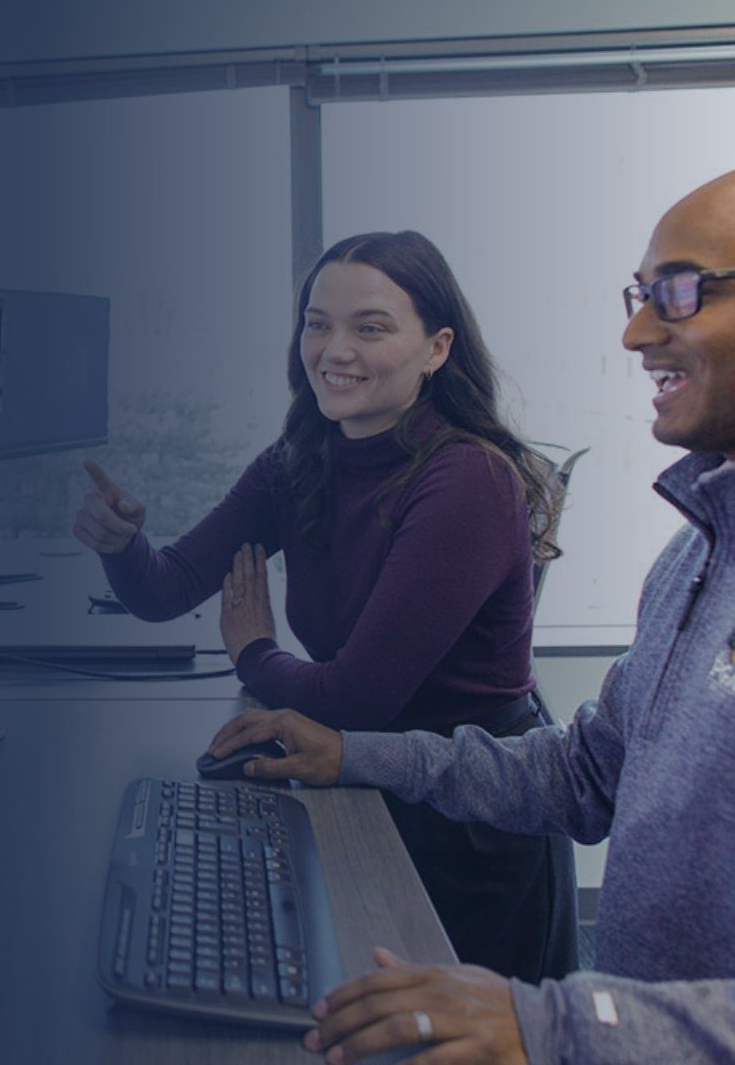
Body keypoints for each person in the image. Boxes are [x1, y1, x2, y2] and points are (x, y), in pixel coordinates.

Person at [208, 162, 735, 1063]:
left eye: (681, 293)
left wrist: (560, 1026)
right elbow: (586, 775)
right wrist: (352, 754)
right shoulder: (709, 544)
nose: (635, 332)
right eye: (639, 293)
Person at [75, 231, 577, 981]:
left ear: (437, 348)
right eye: (318, 323)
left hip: (467, 815)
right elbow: (168, 586)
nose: (333, 350)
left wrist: (254, 652)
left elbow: (356, 698)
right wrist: (121, 543)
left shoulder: (467, 479)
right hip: (364, 782)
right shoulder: (298, 460)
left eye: (369, 327)